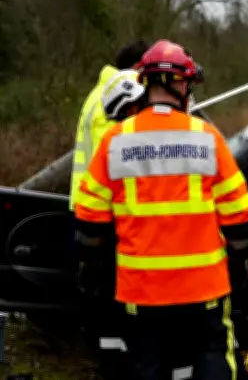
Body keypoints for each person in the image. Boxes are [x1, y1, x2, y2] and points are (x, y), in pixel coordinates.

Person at [73, 39, 248, 380]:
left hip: (141, 289)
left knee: (146, 363)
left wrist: (92, 271)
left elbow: (89, 220)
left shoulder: (115, 141)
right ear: (181, 85)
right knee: (212, 354)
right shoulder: (206, 137)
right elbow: (239, 214)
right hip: (203, 287)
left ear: (146, 83)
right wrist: (242, 263)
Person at [79, 69, 147, 380]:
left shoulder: (119, 141)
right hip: (127, 243)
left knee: (117, 321)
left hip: (124, 241)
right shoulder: (123, 141)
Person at [69, 40, 150, 212]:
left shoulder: (103, 93)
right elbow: (110, 160)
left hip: (91, 201)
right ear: (137, 68)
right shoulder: (113, 100)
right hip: (97, 207)